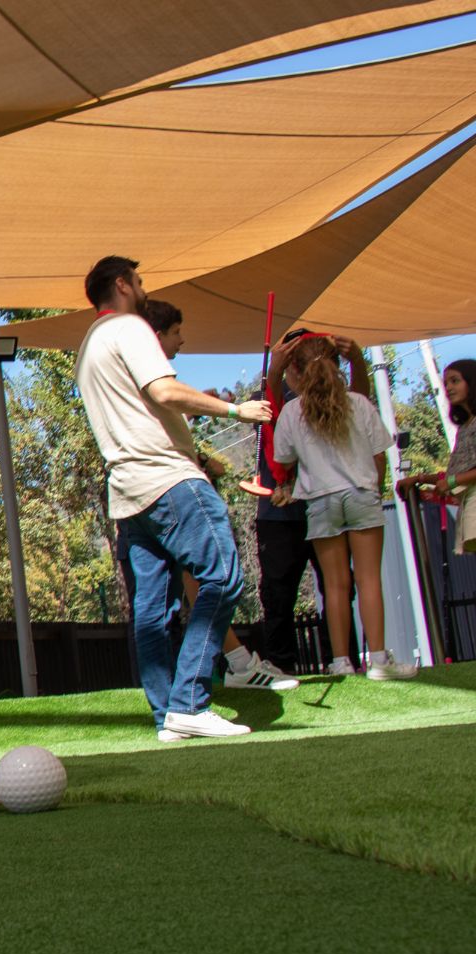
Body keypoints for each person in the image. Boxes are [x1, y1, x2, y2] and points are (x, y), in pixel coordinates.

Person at [73, 257, 271, 742]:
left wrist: (191, 403)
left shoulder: (88, 346)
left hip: (127, 493)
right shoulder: (130, 326)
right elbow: (162, 389)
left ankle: (168, 716)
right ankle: (189, 703)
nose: (143, 289)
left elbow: (147, 400)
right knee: (222, 577)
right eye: (138, 281)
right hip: (169, 479)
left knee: (152, 610)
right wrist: (234, 408)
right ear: (122, 284)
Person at [140, 301, 297, 692]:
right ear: (158, 335)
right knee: (214, 577)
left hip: (152, 491)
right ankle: (218, 675)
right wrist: (233, 409)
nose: (183, 338)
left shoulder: (146, 376)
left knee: (187, 585)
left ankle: (223, 670)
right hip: (167, 489)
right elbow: (164, 398)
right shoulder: (150, 372)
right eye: (177, 331)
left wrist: (199, 443)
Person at [273, 335, 415, 679]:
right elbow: (379, 453)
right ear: (337, 364)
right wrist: (375, 488)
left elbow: (283, 458)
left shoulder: (293, 410)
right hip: (361, 492)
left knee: (335, 585)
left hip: (320, 499)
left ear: (295, 370)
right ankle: (379, 660)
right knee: (368, 580)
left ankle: (341, 662)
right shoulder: (358, 403)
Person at [400, 358, 476, 555]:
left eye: (455, 381)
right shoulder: (466, 427)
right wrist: (421, 478)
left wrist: (452, 481)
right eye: (445, 383)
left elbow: (458, 477)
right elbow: (461, 470)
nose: (448, 387)